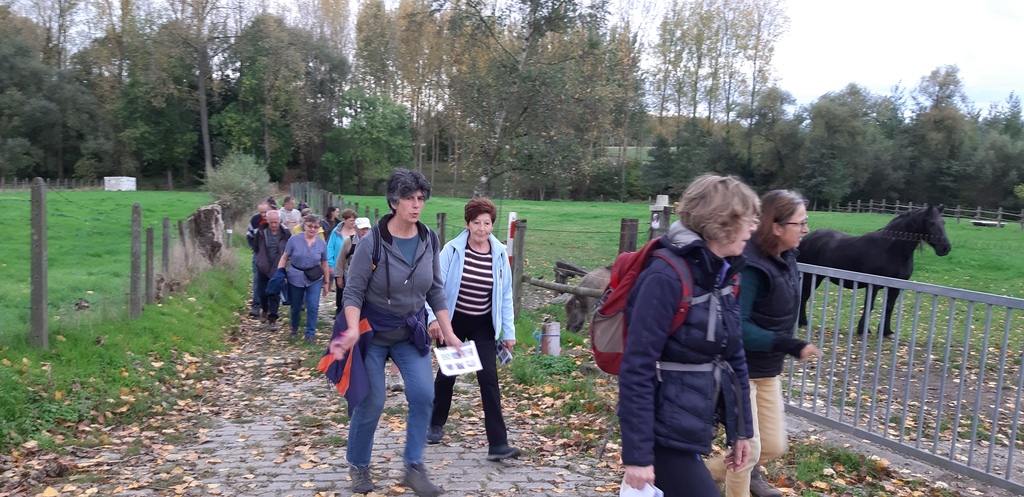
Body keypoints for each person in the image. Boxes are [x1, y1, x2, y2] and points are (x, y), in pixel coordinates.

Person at [619, 174, 759, 497]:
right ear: (721, 223)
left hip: (691, 425)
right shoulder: (665, 276)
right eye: (747, 220)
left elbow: (733, 355)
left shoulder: (724, 274)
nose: (753, 229)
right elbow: (637, 367)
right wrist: (637, 456)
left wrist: (741, 432)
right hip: (661, 432)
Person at [332, 168, 462, 497]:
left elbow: (435, 290)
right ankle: (359, 466)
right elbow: (353, 292)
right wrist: (350, 329)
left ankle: (413, 467)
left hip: (409, 332)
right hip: (372, 334)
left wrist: (449, 332)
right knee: (373, 401)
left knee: (423, 395)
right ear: (393, 201)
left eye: (420, 198)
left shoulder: (429, 238)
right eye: (408, 198)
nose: (416, 205)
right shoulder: (372, 242)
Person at [705, 190, 823, 497]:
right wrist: (791, 344)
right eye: (801, 223)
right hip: (740, 370)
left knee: (773, 446)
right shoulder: (752, 266)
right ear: (777, 227)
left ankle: (694, 473)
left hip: (768, 369)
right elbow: (738, 327)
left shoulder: (786, 258)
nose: (806, 229)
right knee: (749, 453)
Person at [425, 198, 520, 461]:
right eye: (476, 222)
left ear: (492, 225)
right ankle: (434, 423)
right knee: (447, 375)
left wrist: (508, 332)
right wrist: (434, 319)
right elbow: (434, 287)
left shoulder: (499, 253)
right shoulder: (452, 250)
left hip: (483, 323)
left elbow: (505, 295)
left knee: (489, 378)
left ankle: (498, 444)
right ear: (467, 224)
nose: (481, 228)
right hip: (452, 320)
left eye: (486, 223)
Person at [278, 214, 330, 343]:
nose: (312, 229)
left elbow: (324, 263)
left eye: (316, 227)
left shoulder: (321, 243)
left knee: (313, 305)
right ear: (304, 226)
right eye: (310, 226)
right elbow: (285, 257)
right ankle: (294, 327)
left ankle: (310, 334)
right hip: (295, 275)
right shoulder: (294, 239)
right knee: (296, 305)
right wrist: (280, 273)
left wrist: (327, 282)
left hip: (314, 277)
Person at [254, 210, 290, 331]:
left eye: (276, 222)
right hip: (264, 265)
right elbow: (256, 247)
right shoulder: (260, 232)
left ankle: (272, 319)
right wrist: (259, 260)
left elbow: (288, 250)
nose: (274, 225)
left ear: (280, 221)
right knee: (262, 292)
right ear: (267, 221)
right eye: (271, 223)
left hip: (278, 266)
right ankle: (264, 308)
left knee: (274, 293)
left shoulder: (285, 233)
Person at [246, 201, 271, 319]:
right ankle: (256, 305)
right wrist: (255, 249)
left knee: (272, 280)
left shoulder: (275, 220)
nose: (263, 215)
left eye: (265, 212)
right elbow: (249, 236)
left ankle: (270, 307)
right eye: (261, 212)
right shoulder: (255, 221)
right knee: (257, 280)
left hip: (273, 256)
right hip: (259, 255)